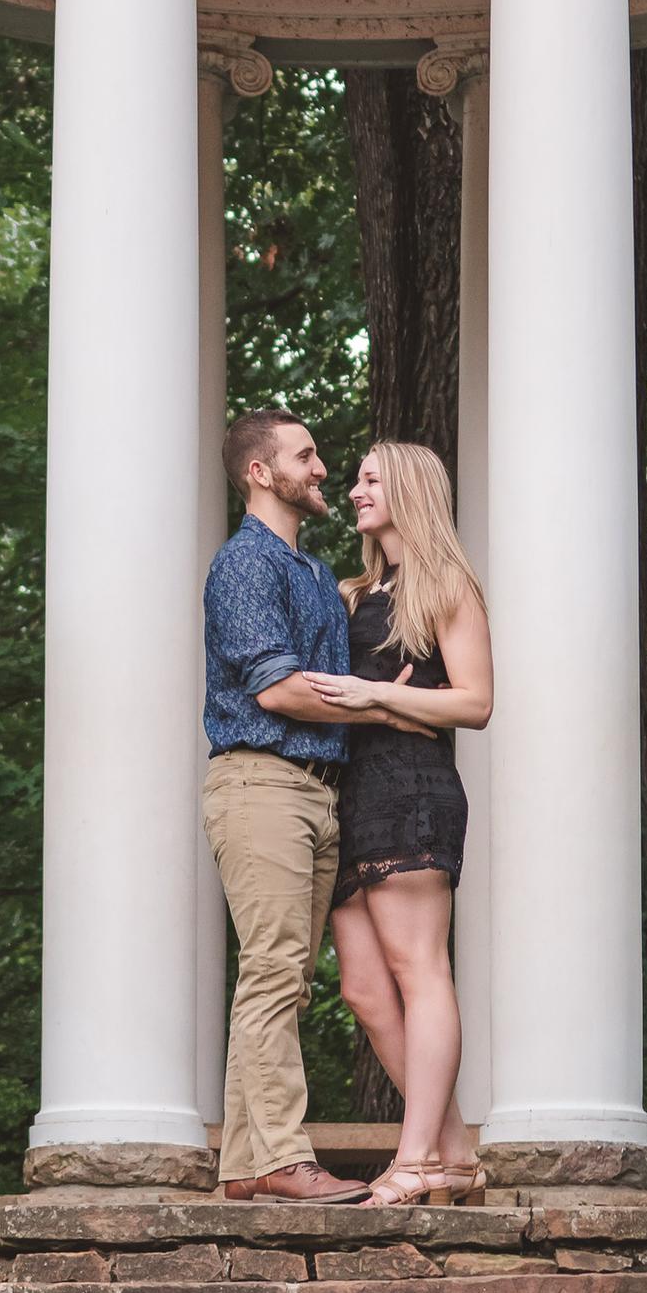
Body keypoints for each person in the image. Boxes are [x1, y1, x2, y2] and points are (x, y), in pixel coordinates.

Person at [202, 409, 423, 1203]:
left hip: (316, 791)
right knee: (273, 972)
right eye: (305, 456)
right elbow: (278, 689)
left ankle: (244, 1168)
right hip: (262, 783)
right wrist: (383, 705)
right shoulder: (245, 564)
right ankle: (283, 1158)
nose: (322, 468)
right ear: (261, 473)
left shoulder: (314, 573)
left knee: (285, 978)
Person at [305, 441, 494, 1208]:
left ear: (410, 491)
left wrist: (380, 697)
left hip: (413, 789)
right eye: (355, 479)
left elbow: (475, 702)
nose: (354, 490)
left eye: (370, 480)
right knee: (362, 990)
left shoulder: (445, 585)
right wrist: (373, 702)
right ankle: (454, 1153)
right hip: (349, 795)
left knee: (420, 970)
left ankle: (415, 1161)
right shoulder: (351, 593)